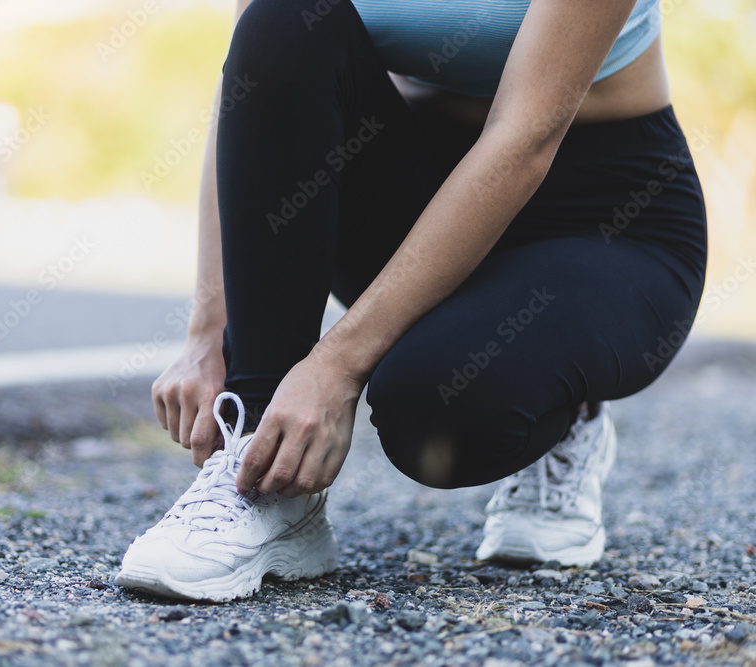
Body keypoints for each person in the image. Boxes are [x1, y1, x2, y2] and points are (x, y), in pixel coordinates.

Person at [116, 0, 706, 601]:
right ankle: (265, 479)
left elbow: (525, 136)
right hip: (420, 202)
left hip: (603, 220)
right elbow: (255, 85)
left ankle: (568, 404)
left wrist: (335, 368)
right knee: (284, 16)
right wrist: (208, 330)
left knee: (435, 410)